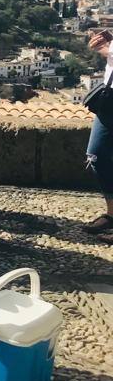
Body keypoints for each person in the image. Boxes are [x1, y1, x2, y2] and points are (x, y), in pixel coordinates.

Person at [83, 29, 113, 244]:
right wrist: (106, 46)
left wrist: (108, 46)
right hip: (110, 100)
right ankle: (111, 214)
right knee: (96, 155)